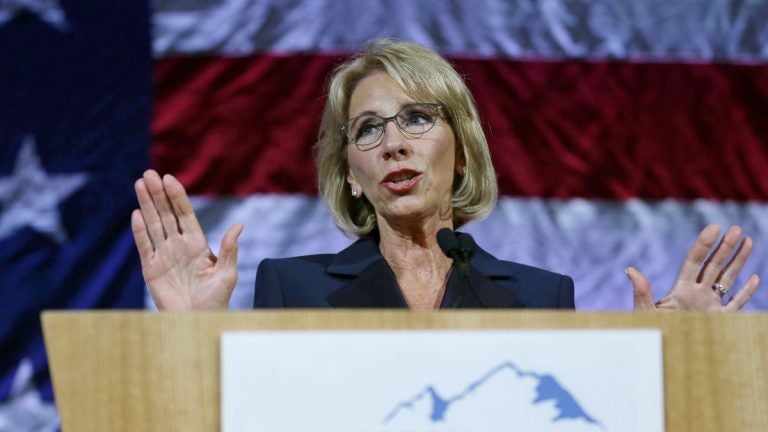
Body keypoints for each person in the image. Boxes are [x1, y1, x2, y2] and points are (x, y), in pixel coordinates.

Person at [131, 39, 760, 311]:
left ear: (461, 152)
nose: (393, 144)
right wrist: (193, 331)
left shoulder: (541, 297)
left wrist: (673, 360)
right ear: (351, 173)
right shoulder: (292, 285)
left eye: (416, 119)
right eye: (368, 129)